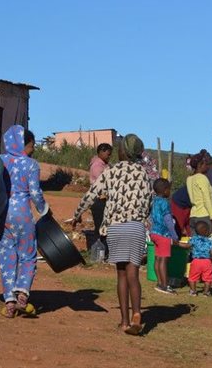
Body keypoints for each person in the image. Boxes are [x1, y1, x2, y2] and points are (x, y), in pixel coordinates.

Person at [72, 134, 152, 335]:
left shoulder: (111, 172)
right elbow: (149, 202)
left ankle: (124, 321)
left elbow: (91, 194)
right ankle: (137, 314)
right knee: (134, 273)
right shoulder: (144, 174)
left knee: (121, 273)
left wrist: (77, 214)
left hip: (115, 227)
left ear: (124, 151)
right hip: (136, 227)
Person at [0, 125, 50, 318]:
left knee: (6, 256)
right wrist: (44, 209)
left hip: (0, 215)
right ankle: (22, 298)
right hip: (23, 215)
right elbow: (35, 193)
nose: (33, 149)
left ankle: (9, 303)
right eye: (31, 145)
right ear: (23, 144)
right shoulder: (31, 164)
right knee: (27, 256)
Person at [150, 178, 179, 294]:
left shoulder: (155, 201)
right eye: (169, 190)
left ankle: (159, 282)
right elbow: (168, 221)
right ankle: (164, 285)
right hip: (163, 235)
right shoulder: (165, 203)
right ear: (165, 190)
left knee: (157, 258)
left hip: (154, 233)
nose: (170, 192)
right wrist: (175, 237)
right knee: (163, 260)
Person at [178, 220, 212, 296]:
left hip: (196, 261)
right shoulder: (210, 241)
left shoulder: (194, 239)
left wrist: (177, 243)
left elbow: (187, 246)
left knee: (192, 277)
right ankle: (206, 292)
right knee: (208, 278)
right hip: (207, 262)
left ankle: (193, 291)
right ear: (206, 231)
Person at [186, 150, 212, 235]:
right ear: (200, 165)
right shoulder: (202, 178)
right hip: (204, 216)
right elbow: (207, 199)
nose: (207, 167)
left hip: (193, 216)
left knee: (196, 244)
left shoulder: (189, 179)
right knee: (206, 245)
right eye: (206, 164)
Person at [89, 143, 113, 256]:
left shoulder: (104, 164)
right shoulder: (97, 166)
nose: (109, 156)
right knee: (100, 227)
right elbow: (102, 183)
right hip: (98, 200)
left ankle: (103, 252)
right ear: (101, 152)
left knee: (104, 227)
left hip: (104, 200)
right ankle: (99, 253)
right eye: (108, 154)